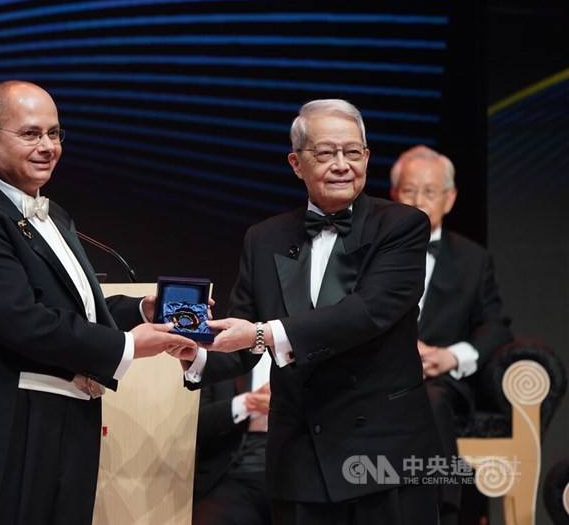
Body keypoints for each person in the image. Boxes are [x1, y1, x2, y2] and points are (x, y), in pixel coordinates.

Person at [0, 80, 195, 525]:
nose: (48, 146)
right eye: (31, 134)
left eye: (55, 134)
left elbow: (73, 308)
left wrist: (141, 312)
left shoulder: (54, 214)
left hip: (66, 423)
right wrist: (127, 347)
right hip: (7, 432)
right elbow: (22, 321)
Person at [183, 99, 443, 525]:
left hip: (383, 454)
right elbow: (245, 335)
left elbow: (367, 312)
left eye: (353, 152)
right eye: (325, 153)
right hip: (300, 456)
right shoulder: (264, 238)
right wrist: (196, 353)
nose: (341, 164)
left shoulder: (401, 225)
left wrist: (263, 335)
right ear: (296, 163)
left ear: (367, 158)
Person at [389, 145, 513, 524]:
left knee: (432, 399)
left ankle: (443, 512)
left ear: (450, 197)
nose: (419, 201)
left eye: (429, 192)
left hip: (438, 381)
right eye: (410, 191)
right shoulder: (365, 252)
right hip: (379, 376)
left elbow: (496, 325)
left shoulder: (474, 259)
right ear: (394, 195)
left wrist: (451, 356)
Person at [193, 352, 272, 525]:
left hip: (292, 473)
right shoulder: (223, 358)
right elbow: (196, 424)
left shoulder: (307, 352)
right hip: (234, 471)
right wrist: (247, 403)